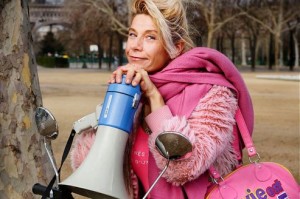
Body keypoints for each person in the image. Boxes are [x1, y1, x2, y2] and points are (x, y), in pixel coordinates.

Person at [70, 0, 254, 198]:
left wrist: (154, 97)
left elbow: (184, 168)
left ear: (176, 47)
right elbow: (86, 164)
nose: (135, 47)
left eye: (150, 37)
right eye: (132, 35)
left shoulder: (214, 93)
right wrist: (115, 102)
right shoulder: (133, 91)